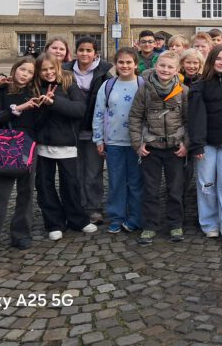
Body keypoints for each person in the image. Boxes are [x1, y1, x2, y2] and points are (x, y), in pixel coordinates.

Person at [0, 57, 40, 257]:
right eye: (22, 69)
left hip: (29, 145)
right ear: (14, 69)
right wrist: (20, 109)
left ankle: (21, 234)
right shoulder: (1, 90)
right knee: (0, 193)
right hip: (6, 145)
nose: (25, 74)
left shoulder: (34, 92)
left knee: (26, 192)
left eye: (30, 72)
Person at [32, 53, 97, 241]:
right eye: (44, 70)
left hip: (67, 143)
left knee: (71, 184)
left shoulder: (69, 83)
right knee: (45, 185)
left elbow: (79, 110)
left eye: (52, 68)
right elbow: (35, 120)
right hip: (43, 144)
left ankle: (78, 220)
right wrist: (43, 106)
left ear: (58, 68)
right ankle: (54, 222)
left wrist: (54, 102)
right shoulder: (35, 86)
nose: (49, 72)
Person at [128, 51, 189, 244]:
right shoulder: (144, 89)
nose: (165, 70)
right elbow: (135, 117)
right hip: (151, 148)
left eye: (170, 67)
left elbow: (189, 120)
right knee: (150, 190)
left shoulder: (184, 91)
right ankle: (150, 226)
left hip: (175, 148)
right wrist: (138, 144)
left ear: (177, 70)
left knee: (175, 190)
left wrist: (186, 144)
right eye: (162, 65)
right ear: (156, 66)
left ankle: (175, 225)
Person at [188, 44, 222, 244]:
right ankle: (210, 224)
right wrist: (197, 144)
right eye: (219, 59)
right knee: (206, 185)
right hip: (207, 144)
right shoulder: (200, 86)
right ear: (211, 60)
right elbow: (195, 118)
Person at [92, 47, 143, 234]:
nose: (125, 65)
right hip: (113, 142)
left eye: (129, 62)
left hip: (136, 143)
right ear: (116, 64)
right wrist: (98, 138)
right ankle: (117, 217)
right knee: (116, 182)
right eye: (121, 62)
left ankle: (136, 217)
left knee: (136, 182)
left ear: (135, 64)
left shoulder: (142, 84)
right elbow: (98, 113)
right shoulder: (108, 85)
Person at [64, 36, 112, 225]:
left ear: (95, 53)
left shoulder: (105, 71)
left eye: (88, 50)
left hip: (95, 130)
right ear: (76, 52)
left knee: (93, 172)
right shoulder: (65, 70)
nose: (84, 54)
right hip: (70, 129)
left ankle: (93, 207)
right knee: (74, 171)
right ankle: (77, 207)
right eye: (81, 50)